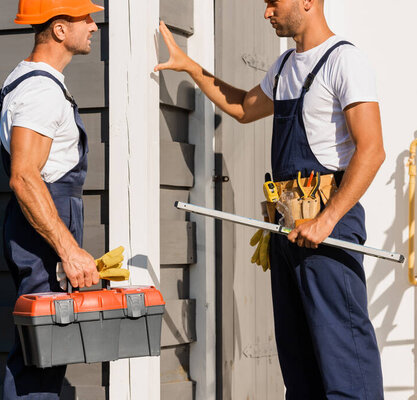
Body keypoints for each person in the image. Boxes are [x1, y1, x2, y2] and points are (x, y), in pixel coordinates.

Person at [155, 0, 385, 398]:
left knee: (344, 363)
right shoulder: (283, 69)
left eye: (274, 3)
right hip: (288, 230)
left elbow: (372, 150)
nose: (266, 13)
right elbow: (244, 108)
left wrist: (326, 221)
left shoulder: (344, 61)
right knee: (299, 367)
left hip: (328, 232)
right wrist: (192, 68)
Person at [0, 0, 104, 398]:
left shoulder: (37, 82)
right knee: (38, 360)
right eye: (85, 17)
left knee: (47, 356)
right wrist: (68, 250)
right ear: (59, 29)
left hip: (42, 229)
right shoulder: (40, 90)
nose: (93, 26)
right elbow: (24, 177)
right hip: (43, 238)